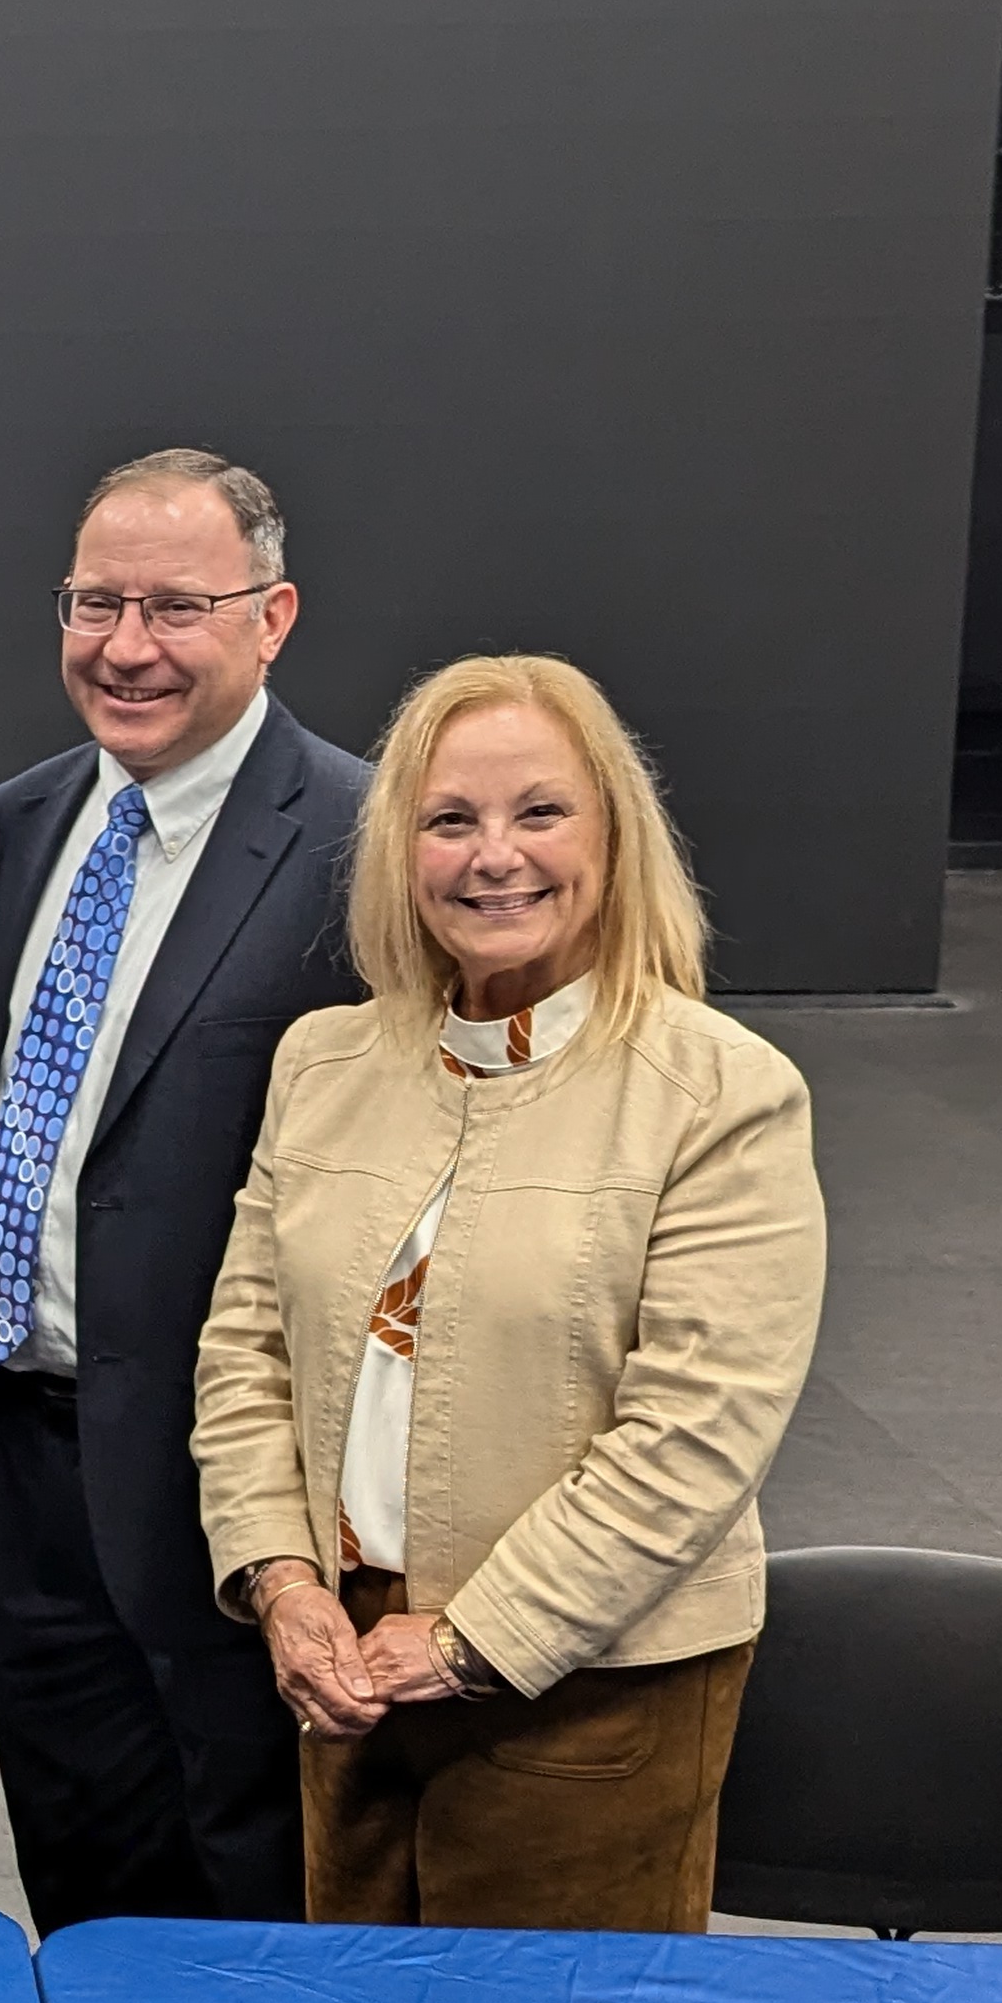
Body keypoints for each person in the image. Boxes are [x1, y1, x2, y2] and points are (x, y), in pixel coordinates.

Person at [191, 653, 827, 1930]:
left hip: (594, 1690)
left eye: (539, 813)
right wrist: (282, 1582)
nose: (495, 857)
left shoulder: (722, 1093)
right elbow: (244, 1358)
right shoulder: (323, 1063)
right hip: (347, 1673)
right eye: (449, 820)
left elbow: (693, 1443)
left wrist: (473, 1638)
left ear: (613, 835)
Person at [0, 451, 370, 1932]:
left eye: (177, 606)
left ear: (274, 616)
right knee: (81, 1884)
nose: (126, 646)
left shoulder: (361, 848)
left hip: (235, 1500)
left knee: (252, 1893)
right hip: (25, 1472)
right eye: (95, 603)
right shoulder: (16, 827)